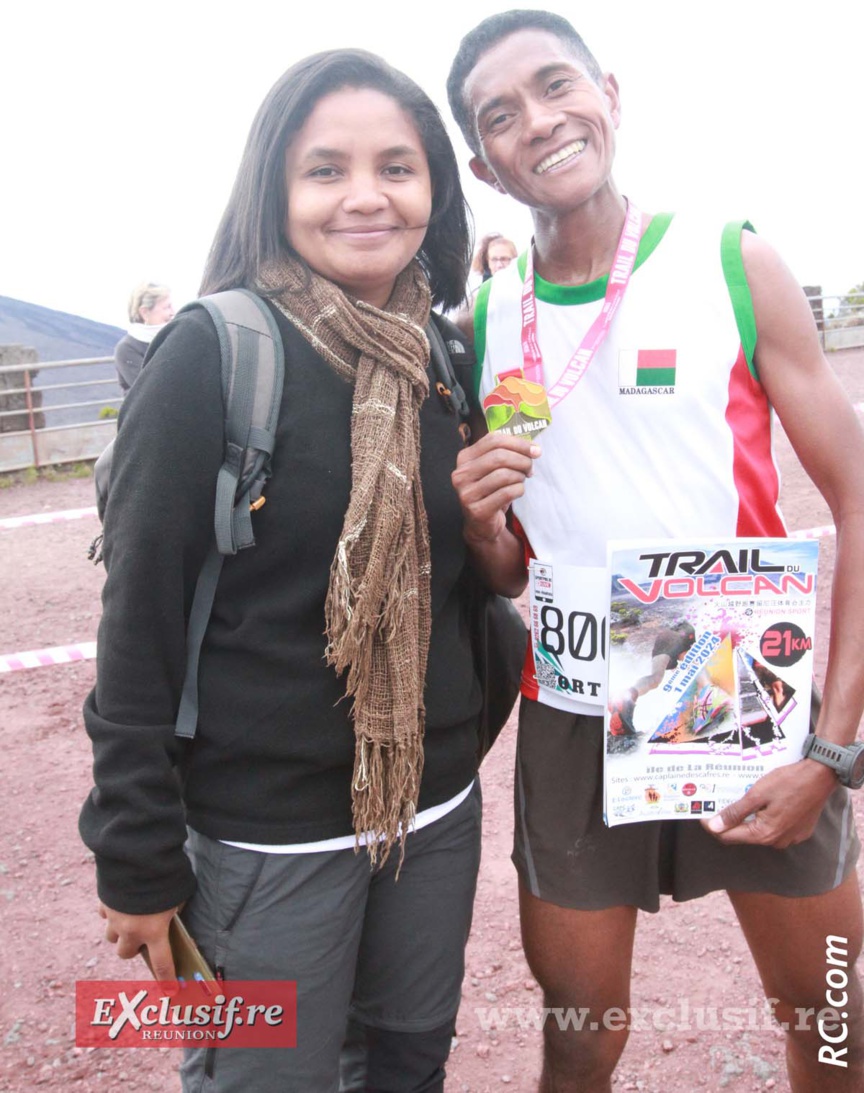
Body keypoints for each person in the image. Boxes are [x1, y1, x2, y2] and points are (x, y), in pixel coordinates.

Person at [446, 9, 864, 1091]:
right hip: (576, 704)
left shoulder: (732, 259)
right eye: (501, 115)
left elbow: (860, 495)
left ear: (611, 96)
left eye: (556, 85)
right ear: (484, 165)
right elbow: (511, 568)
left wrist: (831, 747)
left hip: (741, 691)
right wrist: (482, 525)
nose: (540, 121)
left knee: (828, 1012)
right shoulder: (483, 319)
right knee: (580, 1033)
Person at [80, 49, 481, 1093]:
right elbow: (138, 620)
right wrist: (134, 852)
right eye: (325, 170)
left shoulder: (442, 356)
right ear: (275, 189)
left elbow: (469, 584)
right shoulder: (210, 354)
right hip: (264, 839)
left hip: (432, 815)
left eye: (397, 167)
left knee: (407, 1064)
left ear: (434, 188)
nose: (366, 195)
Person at [113, 281, 174, 393]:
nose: (173, 312)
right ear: (145, 312)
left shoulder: (173, 338)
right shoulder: (127, 348)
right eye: (167, 307)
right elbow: (148, 390)